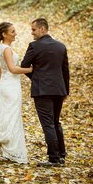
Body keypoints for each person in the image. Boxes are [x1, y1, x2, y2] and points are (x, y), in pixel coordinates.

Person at [21, 18, 70, 167]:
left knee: (48, 124)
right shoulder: (61, 47)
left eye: (34, 29)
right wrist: (66, 90)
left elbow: (24, 66)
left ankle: (53, 159)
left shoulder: (34, 46)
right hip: (59, 89)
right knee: (55, 122)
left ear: (43, 29)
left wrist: (36, 78)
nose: (32, 33)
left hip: (42, 90)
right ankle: (61, 155)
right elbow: (65, 71)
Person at [0, 22, 32, 164]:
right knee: (10, 117)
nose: (15, 33)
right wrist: (30, 70)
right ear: (4, 34)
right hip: (11, 86)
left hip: (5, 85)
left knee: (5, 116)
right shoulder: (7, 49)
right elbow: (13, 69)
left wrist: (0, 87)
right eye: (12, 31)